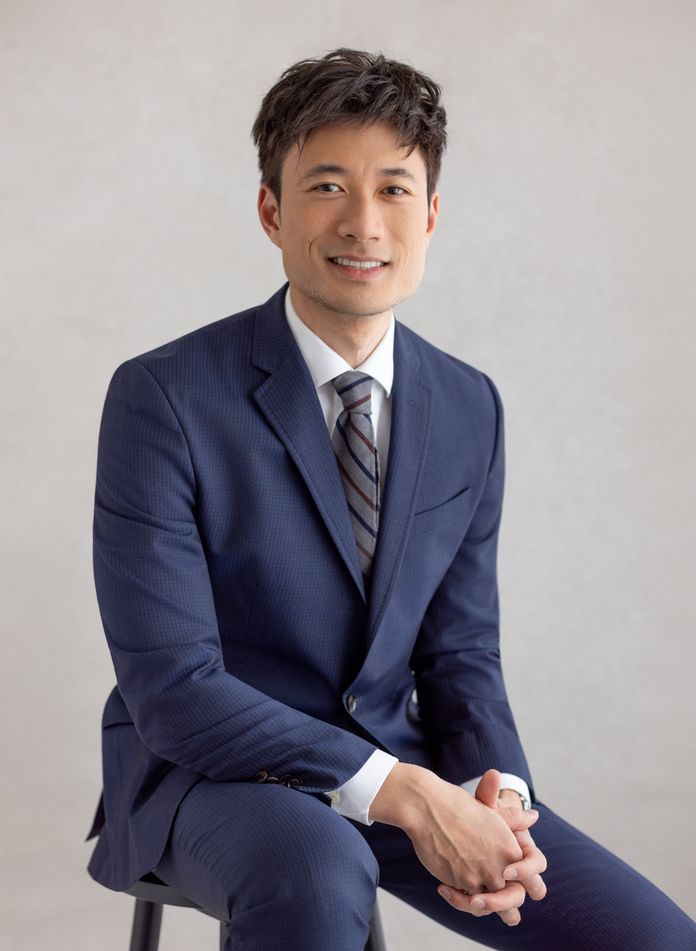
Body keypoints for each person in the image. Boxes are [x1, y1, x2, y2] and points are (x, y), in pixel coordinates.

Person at [84, 47, 696, 949]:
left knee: (650, 937)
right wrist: (404, 792)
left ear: (433, 213)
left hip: (403, 775)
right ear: (272, 211)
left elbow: (461, 657)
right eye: (327, 186)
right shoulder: (164, 397)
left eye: (395, 190)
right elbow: (175, 691)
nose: (364, 223)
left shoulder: (467, 404)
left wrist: (502, 802)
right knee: (317, 868)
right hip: (207, 774)